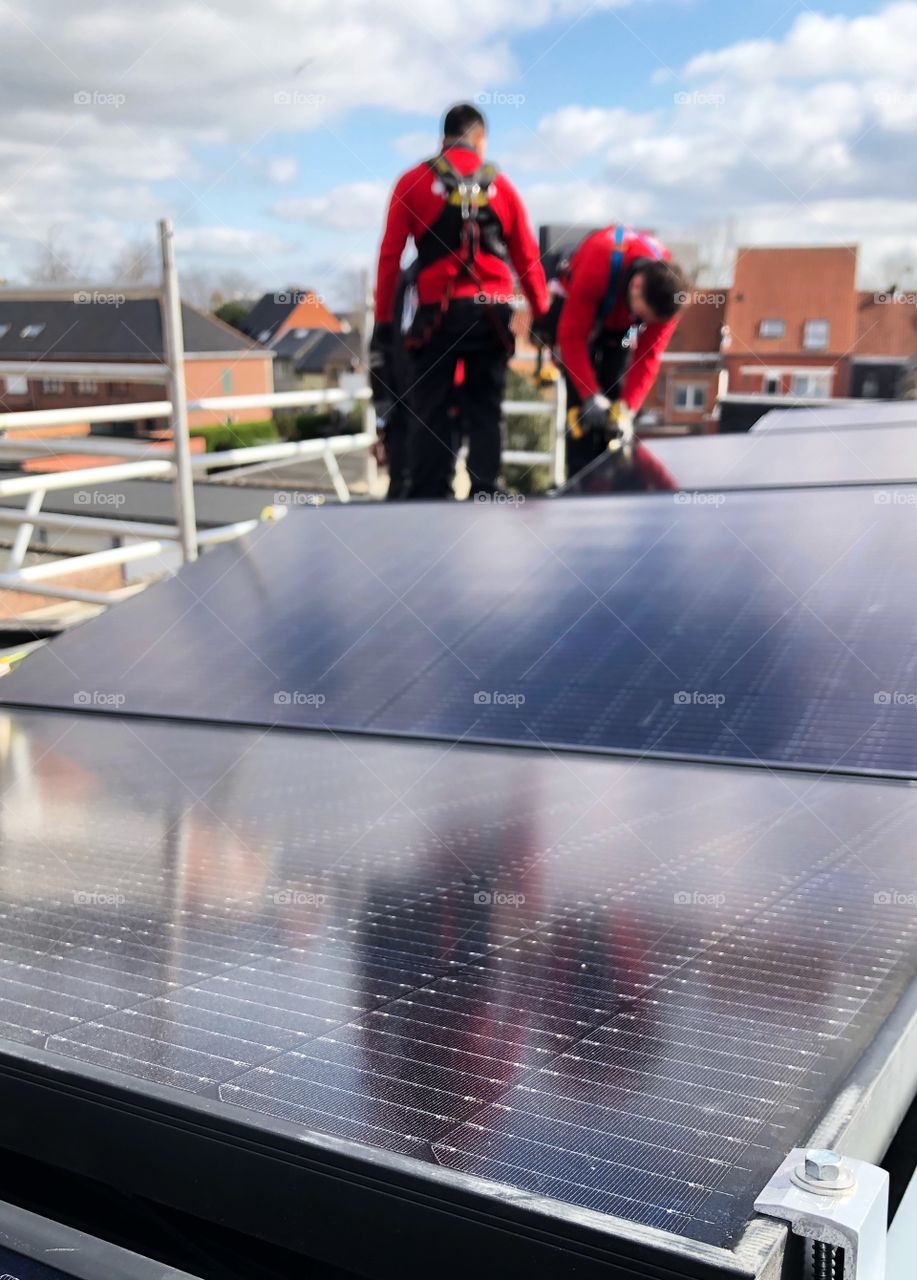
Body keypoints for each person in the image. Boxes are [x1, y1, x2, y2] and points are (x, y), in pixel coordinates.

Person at [372, 103, 549, 499]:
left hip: (437, 316)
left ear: (443, 138)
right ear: (480, 138)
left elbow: (389, 257)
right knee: (486, 406)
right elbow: (527, 256)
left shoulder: (413, 182)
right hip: (492, 315)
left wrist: (384, 320)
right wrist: (541, 313)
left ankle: (430, 494)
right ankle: (485, 489)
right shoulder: (503, 187)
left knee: (430, 409)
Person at [552, 225, 690, 482]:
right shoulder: (597, 264)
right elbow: (571, 338)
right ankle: (578, 481)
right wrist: (589, 394)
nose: (645, 323)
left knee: (615, 395)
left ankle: (611, 479)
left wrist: (628, 409)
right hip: (582, 313)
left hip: (619, 329)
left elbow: (648, 357)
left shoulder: (668, 294)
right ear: (636, 286)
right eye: (644, 316)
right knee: (582, 412)